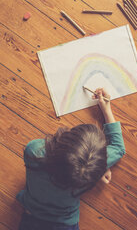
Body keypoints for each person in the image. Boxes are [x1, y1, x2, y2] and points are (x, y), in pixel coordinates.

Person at [16, 88, 125, 230]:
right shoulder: (90, 170)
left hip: (31, 215)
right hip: (64, 224)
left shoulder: (34, 151)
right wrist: (106, 109)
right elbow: (118, 147)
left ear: (66, 138)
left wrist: (100, 167)